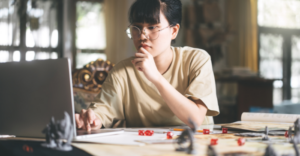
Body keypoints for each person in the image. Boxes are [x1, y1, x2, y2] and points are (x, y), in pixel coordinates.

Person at [75, 0, 219, 131]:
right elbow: (103, 110)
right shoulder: (123, 71)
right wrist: (92, 120)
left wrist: (156, 77)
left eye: (152, 27)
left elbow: (195, 119)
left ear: (173, 31)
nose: (142, 35)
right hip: (143, 149)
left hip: (195, 148)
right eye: (136, 27)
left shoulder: (197, 59)